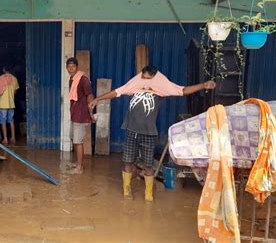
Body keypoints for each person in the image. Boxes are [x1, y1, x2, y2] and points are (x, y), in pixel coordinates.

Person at [89, 65, 216, 202]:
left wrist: (203, 85)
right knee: (127, 162)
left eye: (148, 78)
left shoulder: (161, 88)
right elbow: (116, 92)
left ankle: (148, 194)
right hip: (131, 129)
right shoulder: (135, 84)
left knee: (148, 165)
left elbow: (183, 90)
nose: (145, 81)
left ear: (155, 77)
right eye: (143, 77)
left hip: (149, 132)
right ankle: (127, 190)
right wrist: (97, 99)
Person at [66, 57, 95, 174]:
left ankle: (79, 167)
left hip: (81, 113)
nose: (71, 68)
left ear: (77, 67)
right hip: (74, 112)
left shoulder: (83, 79)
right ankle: (77, 162)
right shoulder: (72, 79)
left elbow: (90, 95)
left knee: (78, 141)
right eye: (69, 66)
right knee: (73, 138)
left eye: (73, 66)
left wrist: (90, 110)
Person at [0, 67, 19, 145]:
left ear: (3, 69)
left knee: (3, 122)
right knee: (11, 121)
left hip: (3, 104)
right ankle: (13, 138)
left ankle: (5, 139)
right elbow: (15, 92)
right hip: (11, 103)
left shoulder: (0, 78)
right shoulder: (14, 79)